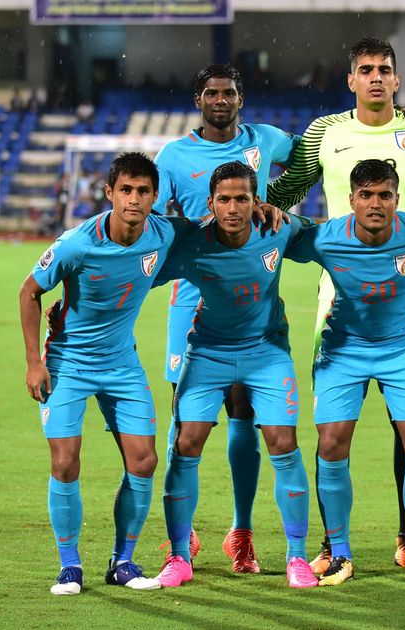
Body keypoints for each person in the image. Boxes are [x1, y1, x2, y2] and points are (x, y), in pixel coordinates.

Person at [267, 37, 405, 571]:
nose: (375, 77)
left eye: (384, 69)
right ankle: (334, 546)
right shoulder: (324, 132)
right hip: (339, 288)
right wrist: (258, 208)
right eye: (366, 69)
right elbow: (292, 187)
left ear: (397, 79)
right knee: (333, 433)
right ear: (351, 79)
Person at [18, 153, 194, 596]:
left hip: (121, 364)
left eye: (143, 191)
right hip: (68, 364)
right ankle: (69, 566)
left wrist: (263, 210)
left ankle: (122, 561)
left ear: (155, 196)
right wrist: (34, 361)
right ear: (109, 193)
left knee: (144, 461)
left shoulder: (164, 233)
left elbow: (216, 227)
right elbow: (29, 291)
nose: (134, 199)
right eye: (126, 190)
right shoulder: (77, 243)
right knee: (65, 461)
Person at [284, 159, 405, 587]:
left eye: (384, 195)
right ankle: (339, 553)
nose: (375, 203)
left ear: (397, 199)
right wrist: (270, 214)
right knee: (331, 443)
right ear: (351, 200)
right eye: (366, 195)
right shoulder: (327, 237)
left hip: (402, 349)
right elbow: (279, 238)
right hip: (343, 349)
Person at [151, 63, 300, 574]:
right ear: (198, 100)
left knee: (244, 413)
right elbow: (155, 219)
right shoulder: (174, 156)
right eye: (212, 93)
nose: (221, 100)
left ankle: (242, 532)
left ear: (241, 98)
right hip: (191, 298)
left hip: (250, 297)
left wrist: (277, 203)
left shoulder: (267, 140)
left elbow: (312, 158)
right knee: (184, 417)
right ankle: (182, 532)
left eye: (229, 92)